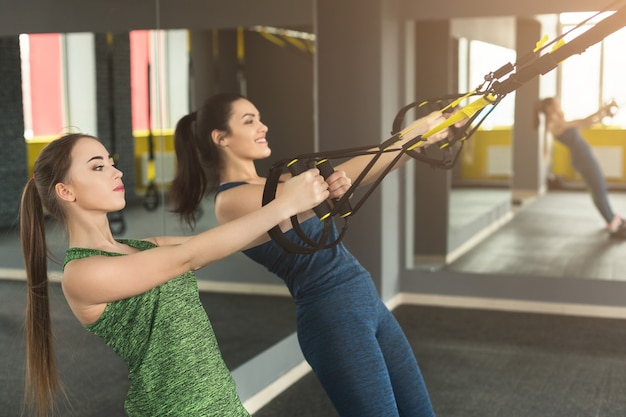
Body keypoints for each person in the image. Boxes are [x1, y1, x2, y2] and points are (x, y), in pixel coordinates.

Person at [170, 93, 458, 417]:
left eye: (259, 118)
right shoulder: (231, 201)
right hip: (332, 317)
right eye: (249, 121)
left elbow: (365, 170)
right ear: (220, 137)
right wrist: (412, 135)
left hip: (365, 300)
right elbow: (344, 176)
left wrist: (421, 136)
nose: (263, 127)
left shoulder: (275, 183)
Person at [19, 133, 329, 417]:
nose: (118, 172)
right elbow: (189, 256)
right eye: (98, 167)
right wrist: (285, 202)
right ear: (65, 191)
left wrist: (314, 204)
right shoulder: (82, 273)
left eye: (112, 163)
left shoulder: (144, 247)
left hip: (220, 401)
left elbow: (235, 238)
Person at [534, 97, 626, 238]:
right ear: (549, 108)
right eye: (556, 104)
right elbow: (583, 121)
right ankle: (612, 223)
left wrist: (604, 112)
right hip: (583, 160)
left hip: (585, 158)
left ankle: (612, 218)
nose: (559, 106)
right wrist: (603, 110)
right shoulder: (554, 123)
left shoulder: (559, 122)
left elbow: (588, 123)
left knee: (599, 190)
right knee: (598, 190)